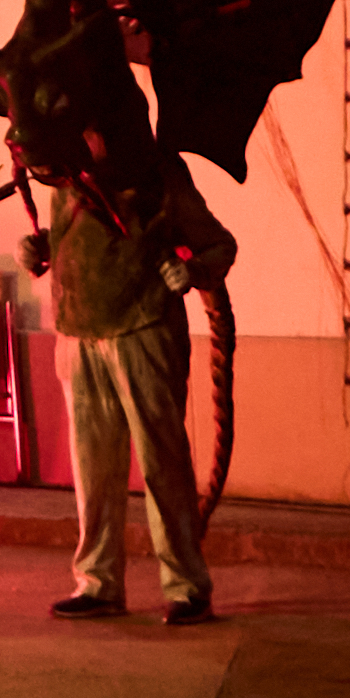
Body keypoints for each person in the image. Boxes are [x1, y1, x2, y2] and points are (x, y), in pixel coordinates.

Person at [36, 164, 211, 628]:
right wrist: (37, 250)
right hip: (78, 330)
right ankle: (97, 581)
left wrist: (192, 267)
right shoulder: (63, 178)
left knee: (162, 462)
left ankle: (186, 585)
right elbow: (68, 244)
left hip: (143, 327)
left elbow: (215, 241)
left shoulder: (156, 171)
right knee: (92, 468)